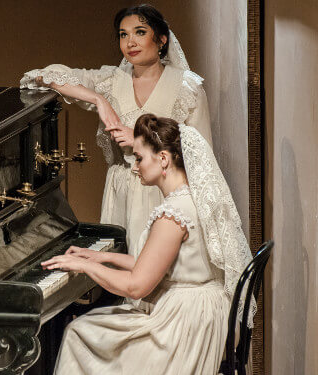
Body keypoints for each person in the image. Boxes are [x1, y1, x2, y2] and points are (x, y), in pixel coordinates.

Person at [40, 114, 253, 374]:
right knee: (91, 326)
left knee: (78, 333)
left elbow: (136, 285)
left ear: (163, 158)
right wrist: (99, 257)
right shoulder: (191, 200)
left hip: (184, 327)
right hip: (203, 313)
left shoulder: (172, 215)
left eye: (139, 158)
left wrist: (82, 267)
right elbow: (156, 264)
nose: (135, 166)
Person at [20, 4, 212, 256]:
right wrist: (100, 100)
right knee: (121, 275)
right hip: (122, 191)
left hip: (164, 193)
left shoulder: (186, 86)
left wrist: (142, 141)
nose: (130, 41)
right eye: (123, 34)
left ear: (162, 39)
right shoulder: (112, 80)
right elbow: (42, 76)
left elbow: (201, 154)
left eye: (140, 32)